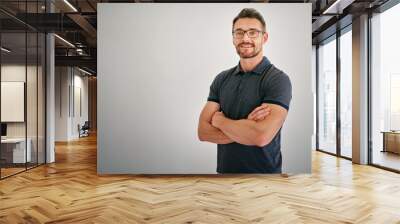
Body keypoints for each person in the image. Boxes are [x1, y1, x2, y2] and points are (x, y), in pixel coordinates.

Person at [197, 8, 292, 174]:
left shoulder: (278, 79)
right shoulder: (221, 79)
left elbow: (261, 136)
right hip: (225, 175)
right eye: (239, 33)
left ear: (265, 37)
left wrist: (220, 122)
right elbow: (203, 132)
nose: (245, 38)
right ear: (233, 38)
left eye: (253, 32)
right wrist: (246, 128)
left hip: (264, 178)